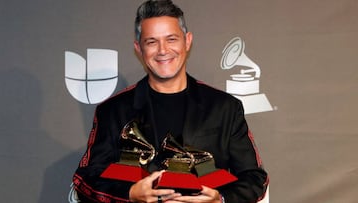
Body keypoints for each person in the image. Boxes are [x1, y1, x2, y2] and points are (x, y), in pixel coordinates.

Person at [72, 0, 269, 202]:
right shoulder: (112, 111)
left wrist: (220, 199)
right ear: (139, 48)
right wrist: (130, 195)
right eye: (152, 41)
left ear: (187, 41)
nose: (163, 50)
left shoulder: (225, 108)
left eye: (171, 39)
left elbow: (255, 178)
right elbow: (85, 180)